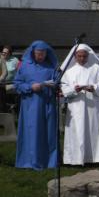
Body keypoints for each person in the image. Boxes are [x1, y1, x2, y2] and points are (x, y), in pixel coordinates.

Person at [60, 44, 99, 165]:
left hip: (93, 105)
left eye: (84, 56)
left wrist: (94, 87)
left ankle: (96, 158)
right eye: (79, 56)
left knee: (94, 128)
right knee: (77, 130)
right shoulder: (69, 71)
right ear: (75, 56)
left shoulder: (96, 68)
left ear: (88, 56)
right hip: (76, 105)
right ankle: (75, 159)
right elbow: (64, 88)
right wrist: (74, 90)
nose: (82, 59)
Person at [14, 40, 58, 170]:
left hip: (47, 103)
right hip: (30, 105)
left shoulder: (51, 67)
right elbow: (17, 84)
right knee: (32, 132)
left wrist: (53, 85)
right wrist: (30, 87)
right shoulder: (25, 66)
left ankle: (49, 161)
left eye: (43, 54)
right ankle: (30, 160)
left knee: (48, 133)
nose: (41, 56)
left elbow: (57, 82)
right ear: (33, 53)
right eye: (38, 54)